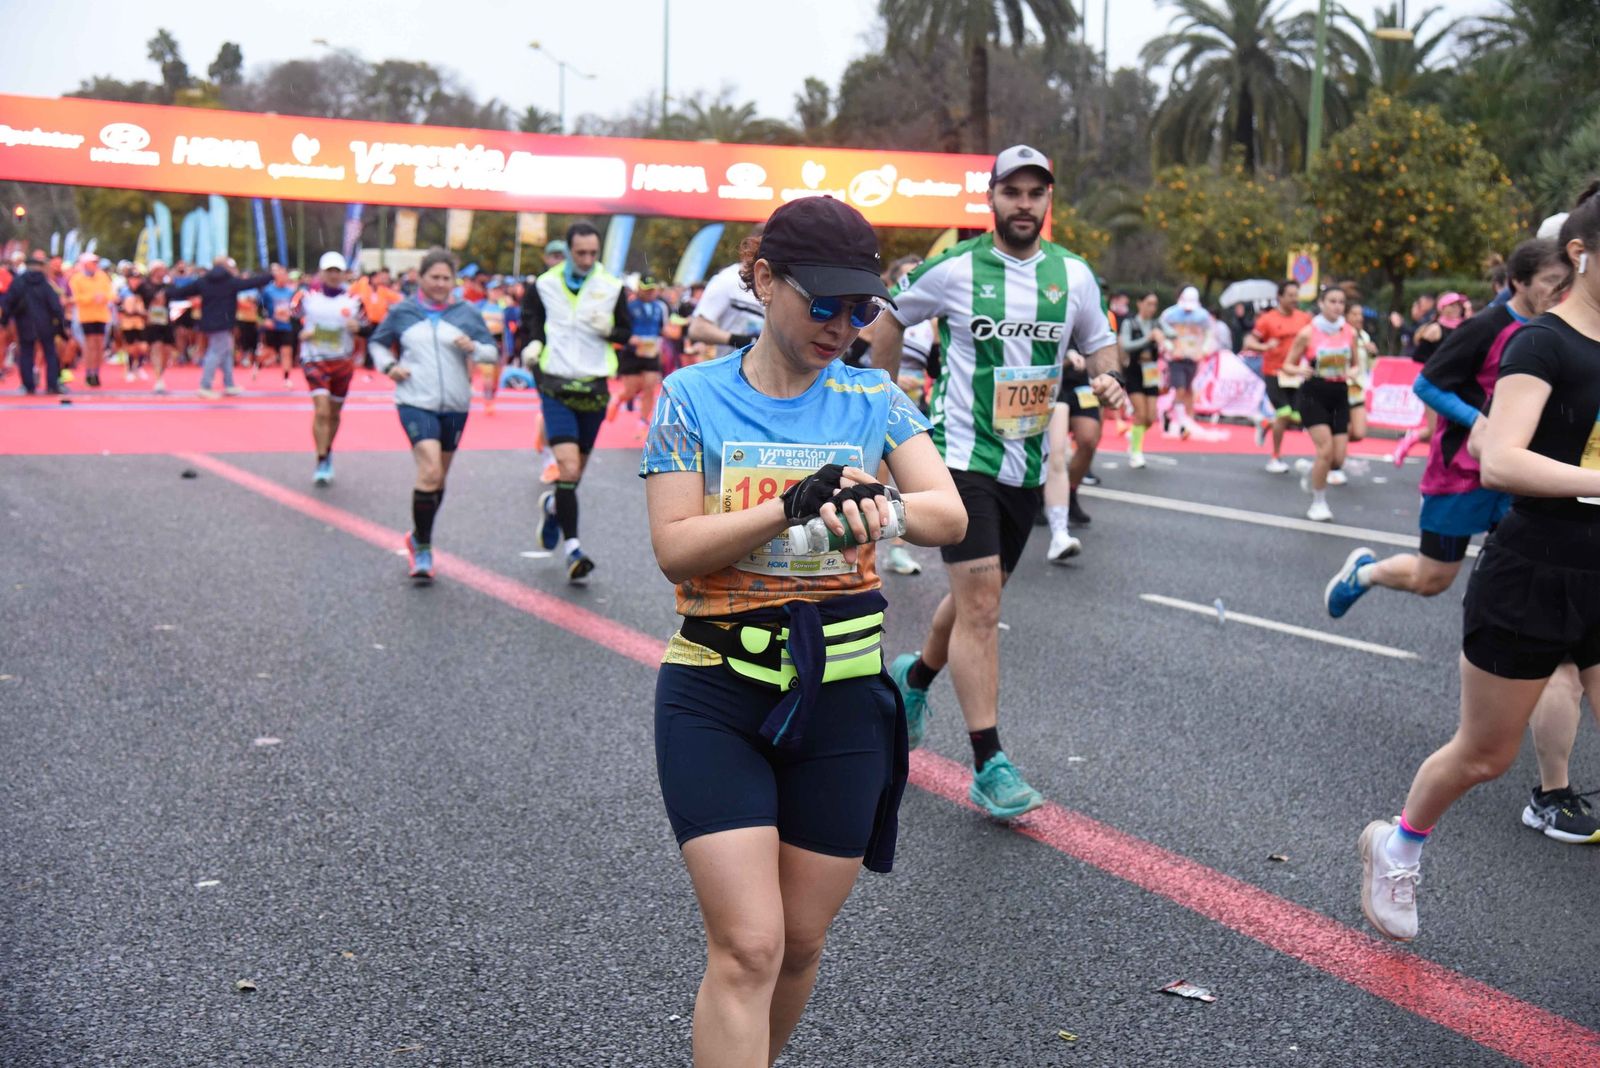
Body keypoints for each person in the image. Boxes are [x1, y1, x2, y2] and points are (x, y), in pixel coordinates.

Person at [640, 194, 965, 1067]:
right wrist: (788, 508)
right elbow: (674, 549)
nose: (843, 325)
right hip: (715, 691)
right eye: (822, 303)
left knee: (799, 945)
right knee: (749, 944)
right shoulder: (689, 398)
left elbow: (949, 513)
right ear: (761, 280)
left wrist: (882, 509)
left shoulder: (872, 397)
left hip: (844, 699)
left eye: (860, 308)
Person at [1358, 192, 1600, 943]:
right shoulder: (1543, 344)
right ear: (1583, 254)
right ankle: (1397, 846)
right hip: (1534, 570)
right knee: (1484, 755)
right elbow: (1500, 458)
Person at [871, 144, 1126, 817]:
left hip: (1025, 462)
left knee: (977, 595)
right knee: (983, 607)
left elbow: (1101, 340)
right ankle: (990, 763)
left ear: (1048, 202)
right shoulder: (954, 269)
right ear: (991, 199)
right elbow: (890, 316)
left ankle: (914, 678)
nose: (1023, 204)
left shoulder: (1073, 276)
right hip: (960, 456)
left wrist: (1108, 372)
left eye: (1035, 193)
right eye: (1011, 192)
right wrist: (882, 397)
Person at [369, 248, 499, 581]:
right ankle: (424, 546)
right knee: (428, 470)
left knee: (438, 477)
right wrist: (389, 366)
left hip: (456, 403)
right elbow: (378, 343)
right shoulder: (403, 311)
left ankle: (417, 535)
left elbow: (492, 352)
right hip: (414, 399)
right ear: (421, 277)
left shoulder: (466, 312)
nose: (441, 284)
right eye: (435, 277)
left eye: (446, 278)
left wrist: (474, 348)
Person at [522, 220, 633, 584]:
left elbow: (625, 331)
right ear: (568, 250)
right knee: (567, 470)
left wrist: (609, 330)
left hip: (594, 387)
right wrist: (533, 344)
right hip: (555, 385)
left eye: (592, 253)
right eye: (580, 253)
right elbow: (532, 321)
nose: (586, 259)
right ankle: (573, 549)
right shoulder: (545, 284)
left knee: (575, 475)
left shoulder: (611, 286)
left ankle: (554, 506)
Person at [1280, 286, 1355, 522]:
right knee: (1325, 451)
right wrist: (1299, 368)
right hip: (1314, 393)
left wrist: (1352, 372)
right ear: (1321, 303)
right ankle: (1318, 502)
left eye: (1341, 302)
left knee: (1338, 458)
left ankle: (1311, 472)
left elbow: (1356, 363)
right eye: (1332, 301)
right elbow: (1287, 364)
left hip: (1340, 393)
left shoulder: (1349, 332)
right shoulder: (1308, 333)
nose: (1337, 306)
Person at [298, 252, 364, 485]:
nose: (334, 275)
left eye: (338, 271)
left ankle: (327, 449)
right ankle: (321, 458)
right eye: (330, 271)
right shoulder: (307, 298)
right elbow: (289, 320)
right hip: (314, 359)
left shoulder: (354, 301)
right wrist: (301, 332)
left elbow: (368, 327)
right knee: (322, 410)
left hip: (342, 361)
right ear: (322, 273)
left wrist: (358, 327)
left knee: (334, 413)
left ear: (344, 274)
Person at [167, 256, 272, 399]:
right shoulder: (230, 281)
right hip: (224, 321)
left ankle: (229, 384)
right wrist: (270, 276)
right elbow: (250, 283)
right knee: (216, 352)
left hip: (209, 321)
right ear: (226, 266)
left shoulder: (204, 281)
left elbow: (183, 291)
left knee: (226, 352)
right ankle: (205, 385)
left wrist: (166, 292)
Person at [1391, 293, 1470, 466]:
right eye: (1452, 305)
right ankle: (1410, 444)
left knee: (1452, 428)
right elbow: (1418, 357)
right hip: (1435, 383)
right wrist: (1441, 363)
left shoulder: (1464, 328)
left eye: (1458, 306)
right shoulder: (1435, 329)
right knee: (1434, 429)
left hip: (1457, 384)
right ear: (1442, 308)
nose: (1456, 309)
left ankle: (1442, 463)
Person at [1242, 280, 1311, 472]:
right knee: (1284, 413)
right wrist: (1264, 346)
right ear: (1280, 297)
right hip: (1274, 372)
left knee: (1296, 417)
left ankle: (1265, 423)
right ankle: (1275, 457)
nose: (1294, 299)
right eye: (1290, 295)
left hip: (1295, 373)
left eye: (1296, 295)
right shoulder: (1267, 319)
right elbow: (1249, 341)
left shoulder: (1304, 319)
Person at [1041, 349, 1101, 560]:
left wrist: (1110, 376)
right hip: (1033, 381)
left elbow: (1104, 343)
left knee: (1061, 454)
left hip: (1069, 388)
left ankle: (1059, 532)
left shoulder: (1086, 316)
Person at [690, 227, 767, 359]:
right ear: (751, 246)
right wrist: (737, 339)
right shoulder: (727, 279)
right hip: (731, 372)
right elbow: (697, 328)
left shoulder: (778, 284)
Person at [1, 253, 68, 395]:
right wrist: (60, 323)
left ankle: (28, 385)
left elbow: (9, 302)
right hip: (45, 324)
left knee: (26, 354)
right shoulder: (45, 284)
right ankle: (52, 384)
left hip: (24, 323)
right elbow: (55, 305)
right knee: (50, 353)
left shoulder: (19, 282)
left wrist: (5, 320)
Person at [612, 276, 670, 433]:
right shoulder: (629, 306)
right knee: (631, 391)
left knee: (650, 386)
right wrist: (631, 339)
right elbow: (620, 329)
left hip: (651, 352)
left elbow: (663, 328)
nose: (650, 292)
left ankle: (643, 422)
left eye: (653, 288)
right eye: (647, 288)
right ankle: (618, 399)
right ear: (639, 288)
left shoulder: (661, 307)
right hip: (631, 353)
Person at [1155, 286, 1215, 438]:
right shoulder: (1170, 314)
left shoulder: (1203, 316)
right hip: (1176, 358)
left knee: (1188, 390)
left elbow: (1209, 333)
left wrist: (1205, 349)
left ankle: (1173, 415)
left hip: (1193, 357)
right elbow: (1160, 332)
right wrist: (1169, 347)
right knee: (1179, 389)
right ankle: (1182, 423)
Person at [1120, 292, 1161, 469]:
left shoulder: (1156, 324)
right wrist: (1148, 339)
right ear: (1140, 303)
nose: (1152, 308)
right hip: (1135, 371)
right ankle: (1136, 453)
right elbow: (1126, 345)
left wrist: (1163, 335)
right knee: (1141, 413)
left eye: (1155, 304)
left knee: (1151, 418)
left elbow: (1172, 334)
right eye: (1149, 303)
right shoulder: (1130, 323)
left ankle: (1133, 433)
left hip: (1151, 372)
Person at [67, 254, 113, 388]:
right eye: (92, 263)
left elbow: (111, 293)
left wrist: (103, 297)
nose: (95, 265)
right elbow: (76, 297)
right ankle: (89, 372)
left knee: (99, 346)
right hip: (86, 315)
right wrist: (92, 298)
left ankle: (96, 372)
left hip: (102, 315)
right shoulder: (77, 279)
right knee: (89, 345)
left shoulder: (102, 276)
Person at [259, 264, 301, 388]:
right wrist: (265, 320)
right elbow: (260, 307)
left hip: (286, 326)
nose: (284, 277)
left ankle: (286, 379)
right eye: (281, 274)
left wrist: (292, 314)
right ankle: (258, 365)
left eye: (285, 274)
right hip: (272, 326)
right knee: (269, 353)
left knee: (286, 352)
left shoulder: (290, 291)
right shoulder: (268, 291)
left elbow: (296, 308)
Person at [138, 262, 176, 393]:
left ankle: (161, 373)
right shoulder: (145, 285)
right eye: (160, 269)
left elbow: (174, 295)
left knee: (167, 349)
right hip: (151, 321)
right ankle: (158, 378)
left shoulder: (168, 285)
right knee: (156, 346)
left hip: (166, 320)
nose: (163, 271)